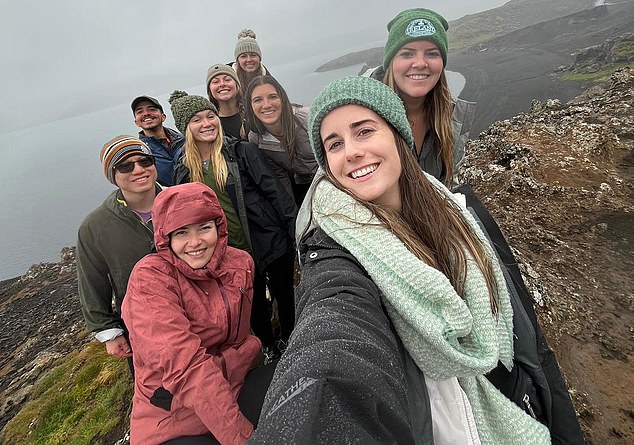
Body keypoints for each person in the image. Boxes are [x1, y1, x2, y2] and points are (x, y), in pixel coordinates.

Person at [250, 77, 584, 444]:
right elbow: (333, 336)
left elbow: (531, 344)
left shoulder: (462, 213)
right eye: (334, 144)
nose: (351, 152)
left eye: (364, 131)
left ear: (398, 135)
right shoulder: (335, 253)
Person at [122, 182, 275, 445]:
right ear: (164, 237)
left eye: (204, 227)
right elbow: (186, 368)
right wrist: (243, 438)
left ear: (220, 227)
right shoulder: (150, 279)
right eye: (181, 232)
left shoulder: (240, 263)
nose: (195, 243)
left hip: (236, 383)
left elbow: (240, 337)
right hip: (175, 414)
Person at [169, 90, 297, 358]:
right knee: (249, 305)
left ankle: (291, 338)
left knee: (284, 294)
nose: (207, 123)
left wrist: (294, 230)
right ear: (185, 128)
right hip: (230, 253)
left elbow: (274, 191)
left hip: (268, 240)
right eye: (196, 120)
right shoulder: (184, 171)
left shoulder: (241, 151)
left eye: (210, 116)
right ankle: (267, 346)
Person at [367, 8, 476, 188]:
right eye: (407, 54)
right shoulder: (359, 114)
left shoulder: (452, 116)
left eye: (432, 53)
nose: (419, 64)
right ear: (390, 62)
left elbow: (449, 184)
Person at [77, 135, 160, 364]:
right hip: (142, 327)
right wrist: (109, 332)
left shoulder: (179, 201)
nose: (138, 170)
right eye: (125, 166)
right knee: (160, 393)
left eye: (145, 161)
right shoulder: (96, 226)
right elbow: (92, 281)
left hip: (197, 312)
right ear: (112, 176)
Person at [245, 75, 318, 205]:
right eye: (258, 100)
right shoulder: (255, 138)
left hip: (329, 179)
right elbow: (279, 176)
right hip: (301, 188)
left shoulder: (307, 118)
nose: (266, 105)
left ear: (282, 98)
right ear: (250, 106)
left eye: (272, 97)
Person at [131, 95, 185, 186]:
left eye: (152, 109)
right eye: (140, 111)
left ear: (163, 117)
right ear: (137, 122)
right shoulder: (139, 153)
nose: (146, 114)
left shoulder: (184, 140)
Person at [206, 63, 248, 140]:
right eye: (215, 82)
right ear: (210, 91)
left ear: (237, 85)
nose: (222, 84)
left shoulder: (252, 113)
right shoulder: (209, 124)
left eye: (227, 80)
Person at [229, 29, 273, 99]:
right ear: (238, 60)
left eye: (253, 55)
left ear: (259, 58)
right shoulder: (227, 80)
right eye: (243, 56)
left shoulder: (268, 79)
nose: (249, 60)